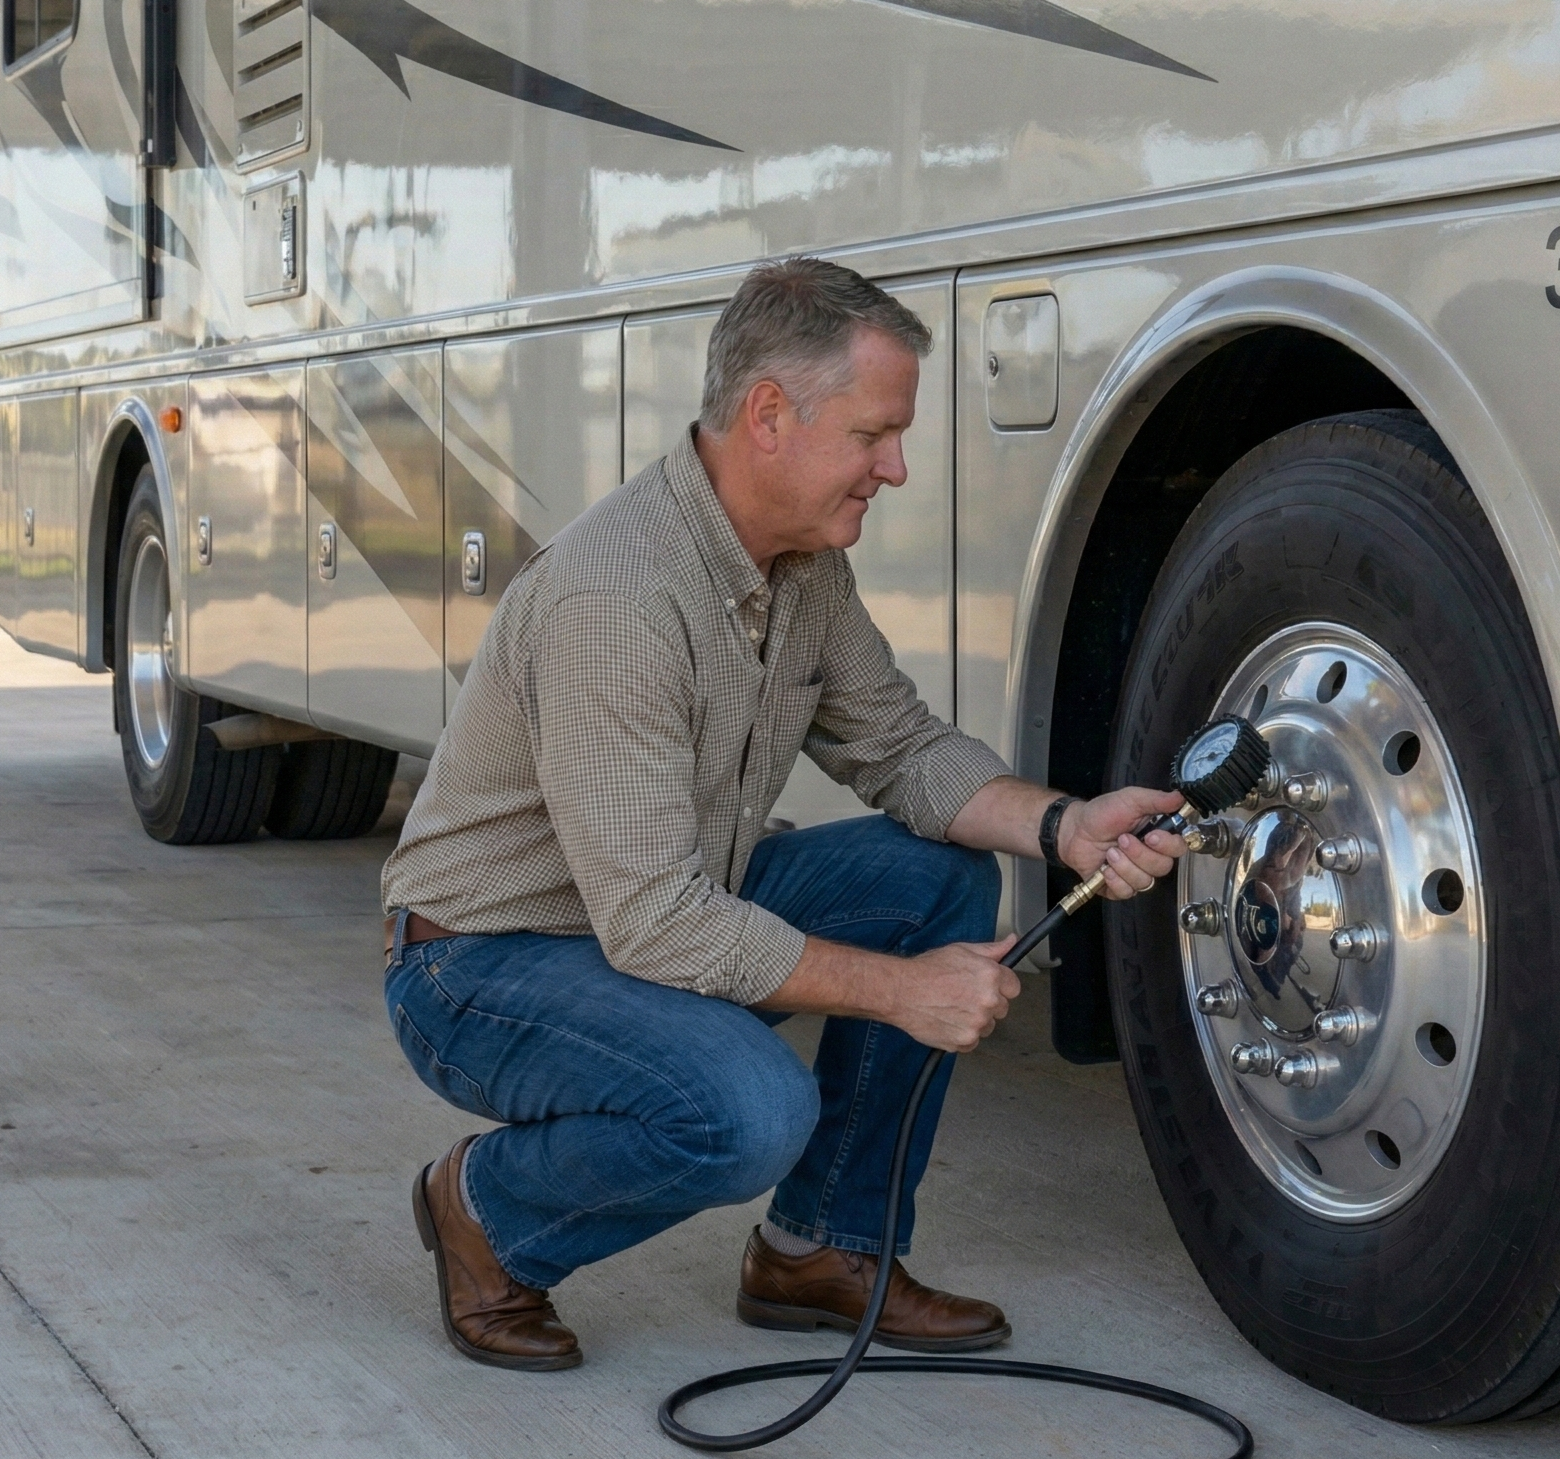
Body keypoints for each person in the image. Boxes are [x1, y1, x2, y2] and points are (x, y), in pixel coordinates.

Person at [380, 255, 1185, 1371]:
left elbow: (900, 748)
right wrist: (905, 992)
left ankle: (822, 1251)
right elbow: (657, 925)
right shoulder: (618, 598)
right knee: (747, 1111)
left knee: (936, 878)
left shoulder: (800, 567)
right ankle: (486, 1211)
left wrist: (1067, 828)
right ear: (769, 415)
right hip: (481, 966)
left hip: (646, 910)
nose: (894, 467)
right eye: (871, 435)